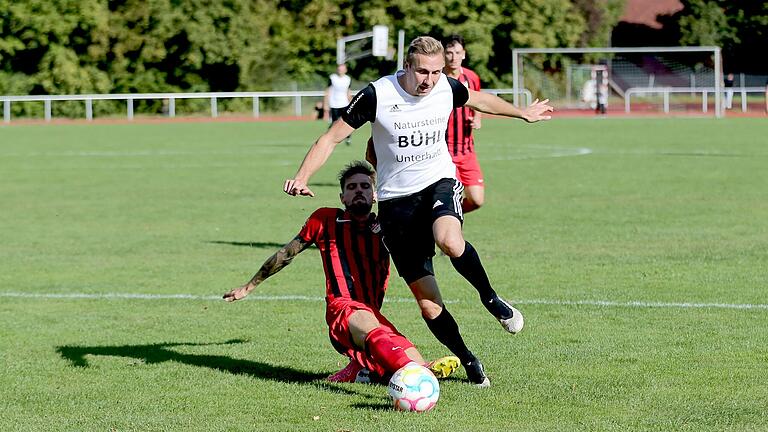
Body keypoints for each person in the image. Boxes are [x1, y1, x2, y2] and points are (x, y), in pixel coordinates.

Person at [283, 36, 553, 387]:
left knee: (449, 240)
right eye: (423, 71)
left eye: (437, 72)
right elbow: (331, 138)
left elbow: (478, 99)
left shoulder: (445, 87)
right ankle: (469, 359)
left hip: (437, 183)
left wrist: (522, 113)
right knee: (429, 306)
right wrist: (302, 176)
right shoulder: (377, 94)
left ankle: (491, 299)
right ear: (407, 67)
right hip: (395, 204)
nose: (429, 79)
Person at [225, 161, 460, 384]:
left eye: (365, 186)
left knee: (398, 347)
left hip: (371, 314)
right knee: (389, 346)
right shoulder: (325, 219)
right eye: (352, 187)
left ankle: (373, 370)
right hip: (342, 310)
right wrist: (248, 286)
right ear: (342, 197)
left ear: (375, 195)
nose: (359, 191)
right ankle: (416, 372)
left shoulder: (386, 227)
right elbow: (286, 254)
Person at [442, 35, 485, 213]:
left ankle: (439, 218)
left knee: (476, 200)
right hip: (444, 152)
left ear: (464, 54)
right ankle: (447, 223)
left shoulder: (472, 78)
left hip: (467, 151)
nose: (453, 57)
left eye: (457, 53)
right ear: (443, 54)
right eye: (449, 53)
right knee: (453, 198)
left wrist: (477, 118)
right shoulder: (437, 79)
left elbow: (479, 101)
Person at [324, 63, 353, 145]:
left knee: (347, 122)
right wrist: (326, 104)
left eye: (342, 69)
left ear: (345, 70)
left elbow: (348, 92)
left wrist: (352, 103)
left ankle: (348, 138)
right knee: (335, 123)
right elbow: (327, 91)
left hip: (345, 104)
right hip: (334, 104)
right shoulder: (332, 78)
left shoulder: (348, 79)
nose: (340, 70)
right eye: (339, 69)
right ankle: (331, 138)